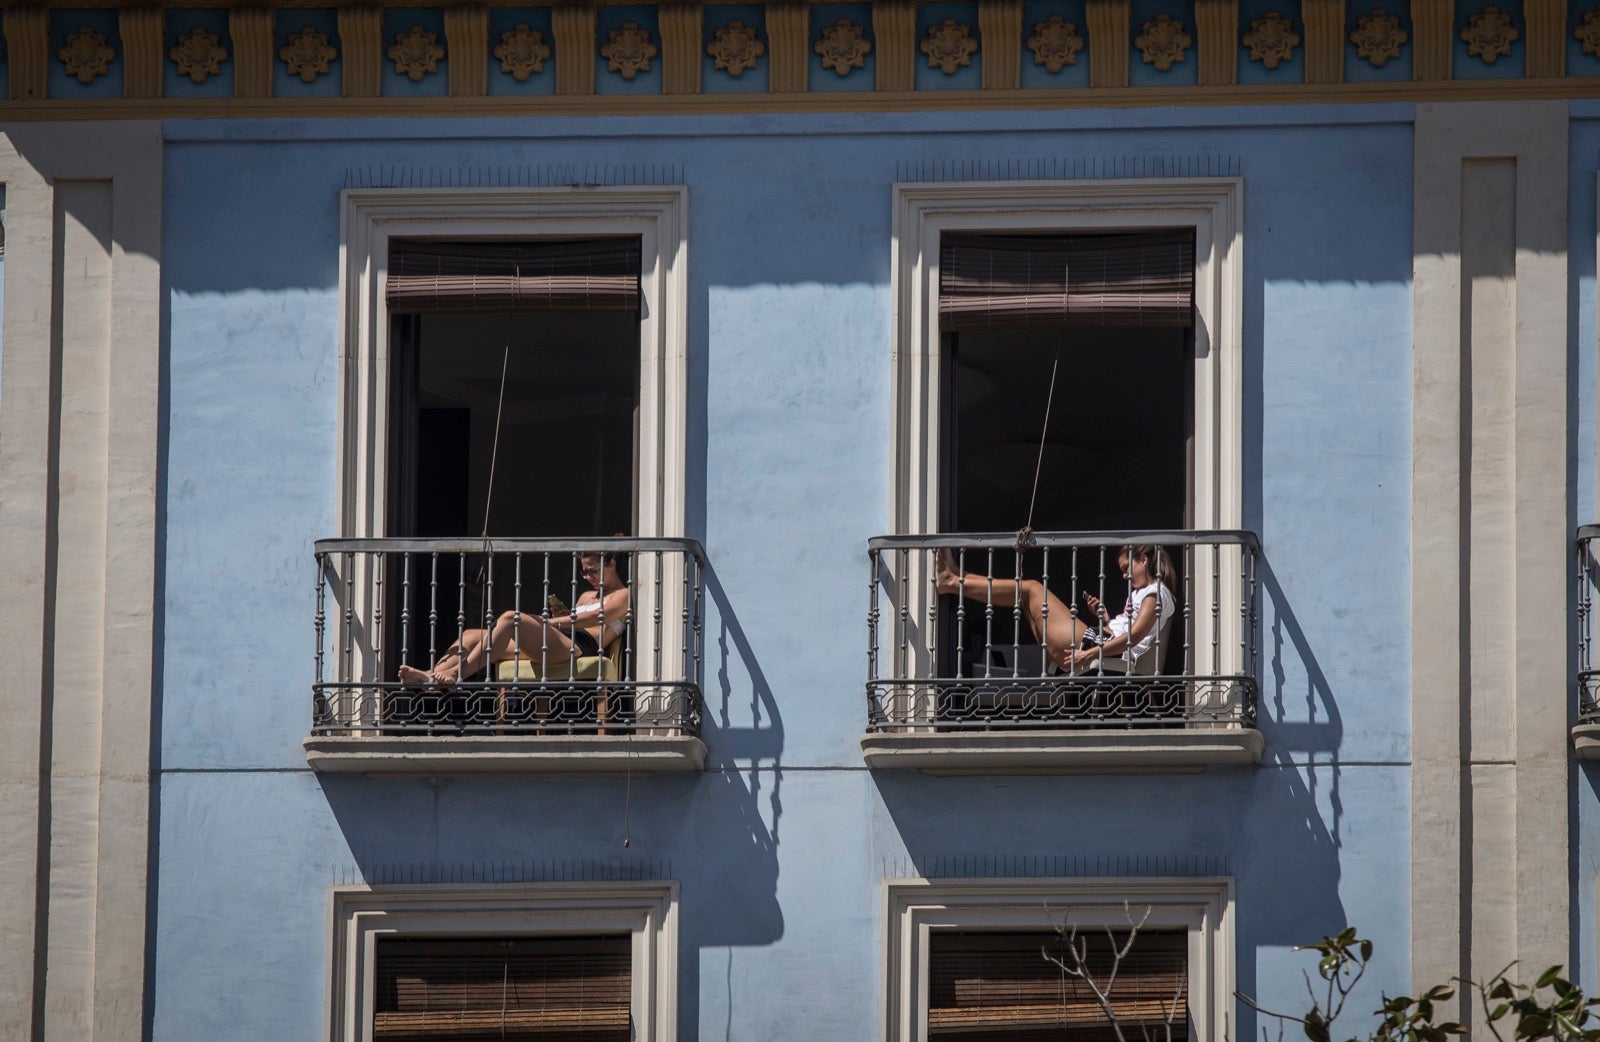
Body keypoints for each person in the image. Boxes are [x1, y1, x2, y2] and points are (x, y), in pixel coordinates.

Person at [935, 544, 1177, 675]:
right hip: (1101, 642)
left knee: (1030, 589)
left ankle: (954, 580)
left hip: (1098, 647)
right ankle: (956, 577)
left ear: (1144, 561)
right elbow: (1129, 632)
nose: (1124, 575)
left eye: (1126, 569)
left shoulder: (1156, 592)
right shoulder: (1144, 592)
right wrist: (1104, 619)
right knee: (1024, 597)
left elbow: (1134, 637)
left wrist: (1091, 654)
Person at [397, 550, 629, 686]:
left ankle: (456, 674)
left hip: (578, 645)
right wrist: (561, 617)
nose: (588, 576)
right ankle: (431, 676)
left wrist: (548, 622)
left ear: (611, 564)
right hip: (561, 637)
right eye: (584, 571)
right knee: (470, 635)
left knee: (511, 618)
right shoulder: (587, 595)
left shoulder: (623, 595)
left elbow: (592, 620)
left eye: (593, 570)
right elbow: (573, 619)